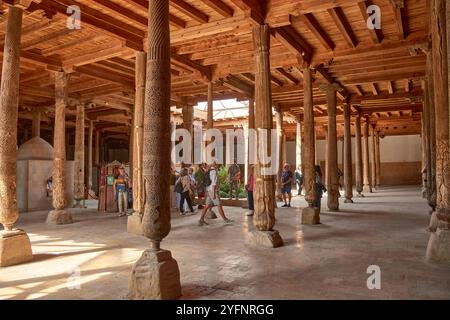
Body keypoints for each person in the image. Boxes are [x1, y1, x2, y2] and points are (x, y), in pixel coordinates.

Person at [199, 161, 233, 226]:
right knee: (219, 205)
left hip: (208, 190)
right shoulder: (214, 172)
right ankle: (225, 219)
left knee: (207, 206)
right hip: (212, 191)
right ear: (215, 165)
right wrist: (214, 193)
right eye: (217, 164)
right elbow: (213, 184)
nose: (218, 166)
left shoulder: (208, 171)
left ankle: (201, 220)